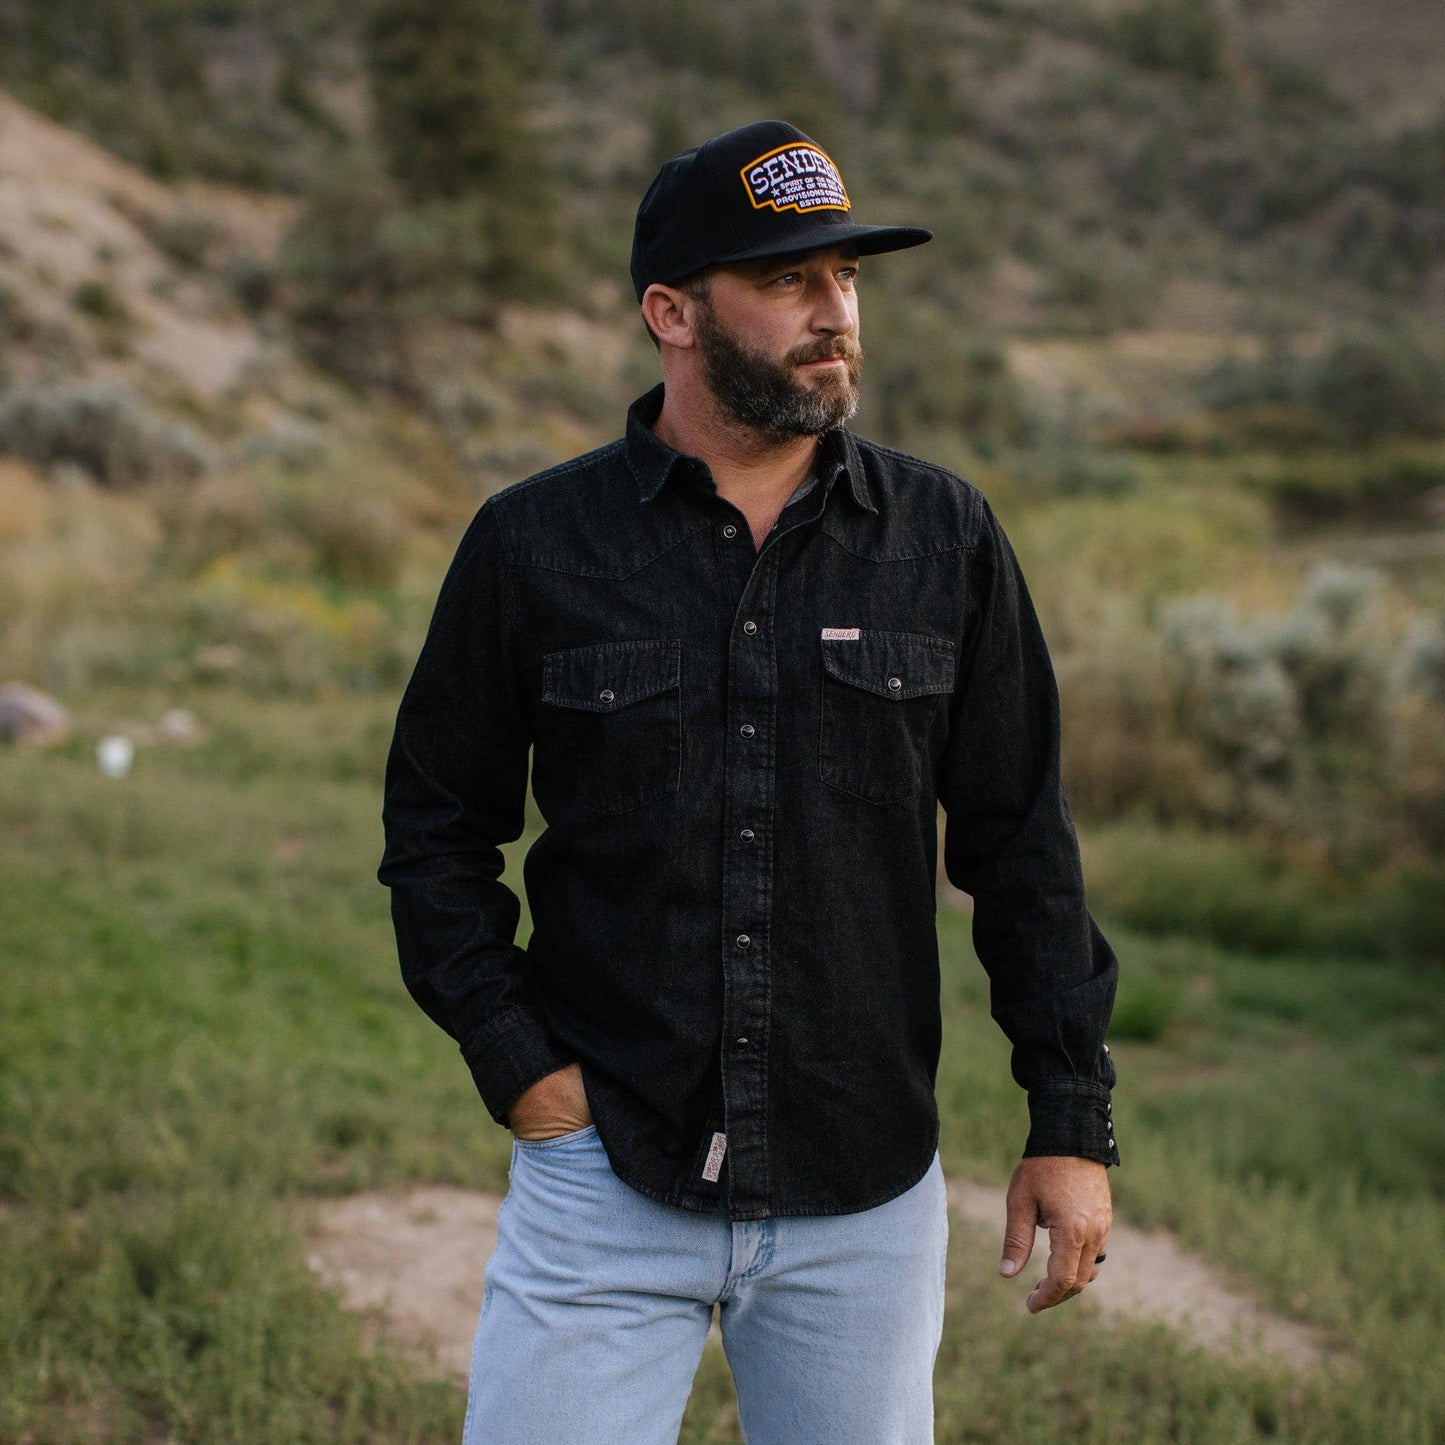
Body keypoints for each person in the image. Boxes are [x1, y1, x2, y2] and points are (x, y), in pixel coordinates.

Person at [378, 118, 1119, 1445]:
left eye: (844, 278)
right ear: (670, 310)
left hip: (862, 1197)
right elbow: (435, 836)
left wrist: (1068, 1120)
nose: (832, 312)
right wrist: (525, 1076)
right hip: (604, 1177)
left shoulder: (942, 537)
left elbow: (1020, 843)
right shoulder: (531, 543)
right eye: (786, 281)